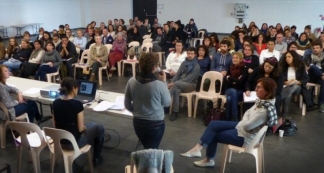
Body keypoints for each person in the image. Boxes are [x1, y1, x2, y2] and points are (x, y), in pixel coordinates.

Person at [180, 77, 278, 167]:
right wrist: (246, 119)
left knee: (213, 135)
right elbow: (247, 113)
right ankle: (197, 149)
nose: (255, 89)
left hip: (245, 137)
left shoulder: (264, 110)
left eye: (259, 87)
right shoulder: (262, 102)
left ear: (267, 92)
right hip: (241, 127)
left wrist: (245, 119)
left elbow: (247, 126)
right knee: (213, 124)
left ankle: (208, 160)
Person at [52, 77, 105, 167]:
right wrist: (85, 127)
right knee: (99, 127)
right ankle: (97, 158)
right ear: (73, 88)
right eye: (77, 88)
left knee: (91, 125)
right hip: (73, 143)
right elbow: (81, 128)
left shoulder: (55, 103)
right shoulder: (77, 104)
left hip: (59, 141)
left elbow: (55, 125)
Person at [124, 52, 171, 149]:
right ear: (154, 67)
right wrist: (164, 82)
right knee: (152, 150)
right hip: (155, 123)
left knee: (147, 147)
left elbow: (127, 104)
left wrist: (137, 111)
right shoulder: (159, 85)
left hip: (138, 122)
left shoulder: (131, 81)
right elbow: (167, 103)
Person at [169, 47, 200, 121]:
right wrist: (173, 81)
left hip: (190, 85)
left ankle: (166, 103)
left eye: (191, 54)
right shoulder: (184, 63)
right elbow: (178, 74)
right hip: (180, 83)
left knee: (175, 85)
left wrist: (174, 83)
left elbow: (188, 79)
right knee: (176, 90)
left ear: (195, 55)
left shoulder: (196, 66)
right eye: (188, 53)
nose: (189, 55)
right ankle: (175, 111)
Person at [279, 50, 310, 117]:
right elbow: (280, 78)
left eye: (289, 57)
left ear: (294, 57)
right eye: (286, 57)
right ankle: (284, 114)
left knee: (294, 86)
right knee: (288, 94)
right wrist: (286, 82)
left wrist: (297, 82)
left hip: (297, 87)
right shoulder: (283, 67)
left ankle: (278, 98)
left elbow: (306, 78)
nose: (287, 58)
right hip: (286, 87)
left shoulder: (300, 66)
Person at [224, 52, 247, 121]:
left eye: (237, 58)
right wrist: (235, 81)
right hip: (229, 89)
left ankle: (228, 118)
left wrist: (230, 78)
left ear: (240, 59)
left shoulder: (244, 69)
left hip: (240, 91)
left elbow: (241, 82)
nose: (234, 59)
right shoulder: (230, 68)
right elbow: (225, 82)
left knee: (229, 99)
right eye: (233, 58)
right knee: (233, 92)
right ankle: (235, 116)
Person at [304, 41, 324, 112]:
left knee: (323, 81)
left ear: (321, 49)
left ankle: (321, 104)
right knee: (312, 66)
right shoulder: (308, 56)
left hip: (320, 77)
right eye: (314, 48)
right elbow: (304, 67)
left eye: (317, 48)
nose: (315, 49)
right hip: (310, 76)